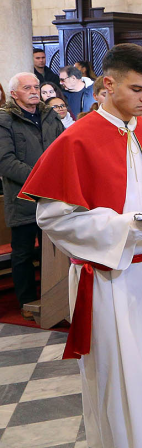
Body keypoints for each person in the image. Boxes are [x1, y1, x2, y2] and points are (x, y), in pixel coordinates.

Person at [19, 44, 142, 448]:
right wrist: (124, 227)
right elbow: (53, 218)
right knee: (125, 373)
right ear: (107, 85)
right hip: (108, 275)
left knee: (139, 370)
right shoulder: (77, 139)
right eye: (138, 90)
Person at [0, 73, 65, 319]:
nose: (34, 91)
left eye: (36, 86)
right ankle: (27, 301)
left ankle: (56, 296)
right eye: (27, 88)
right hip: (23, 198)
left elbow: (63, 148)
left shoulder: (49, 116)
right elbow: (5, 162)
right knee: (24, 252)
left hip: (53, 196)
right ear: (14, 94)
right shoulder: (4, 119)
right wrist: (41, 179)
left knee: (55, 249)